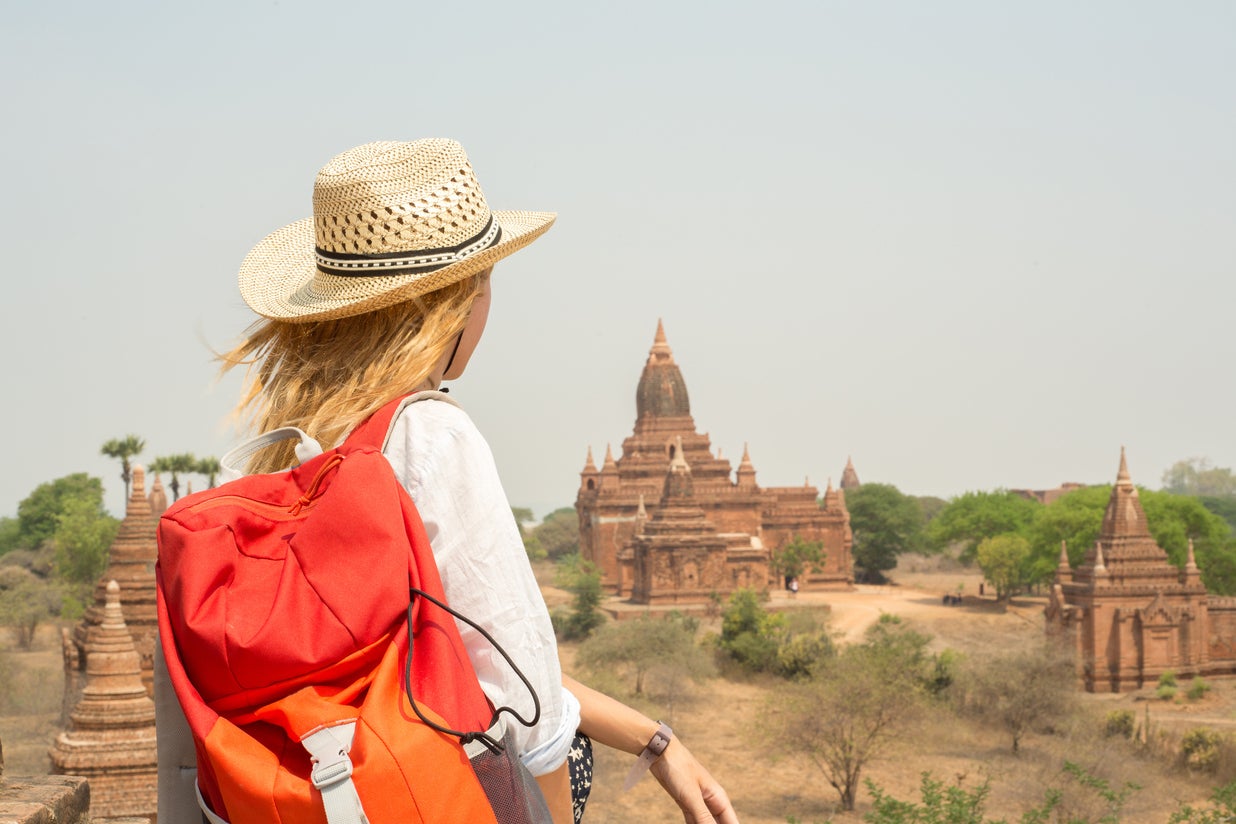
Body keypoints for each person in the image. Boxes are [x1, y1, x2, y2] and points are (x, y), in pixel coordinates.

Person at [156, 139, 737, 824]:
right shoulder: (431, 437)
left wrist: (652, 738)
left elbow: (457, 652)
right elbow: (529, 709)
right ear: (461, 298)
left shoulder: (284, 451)